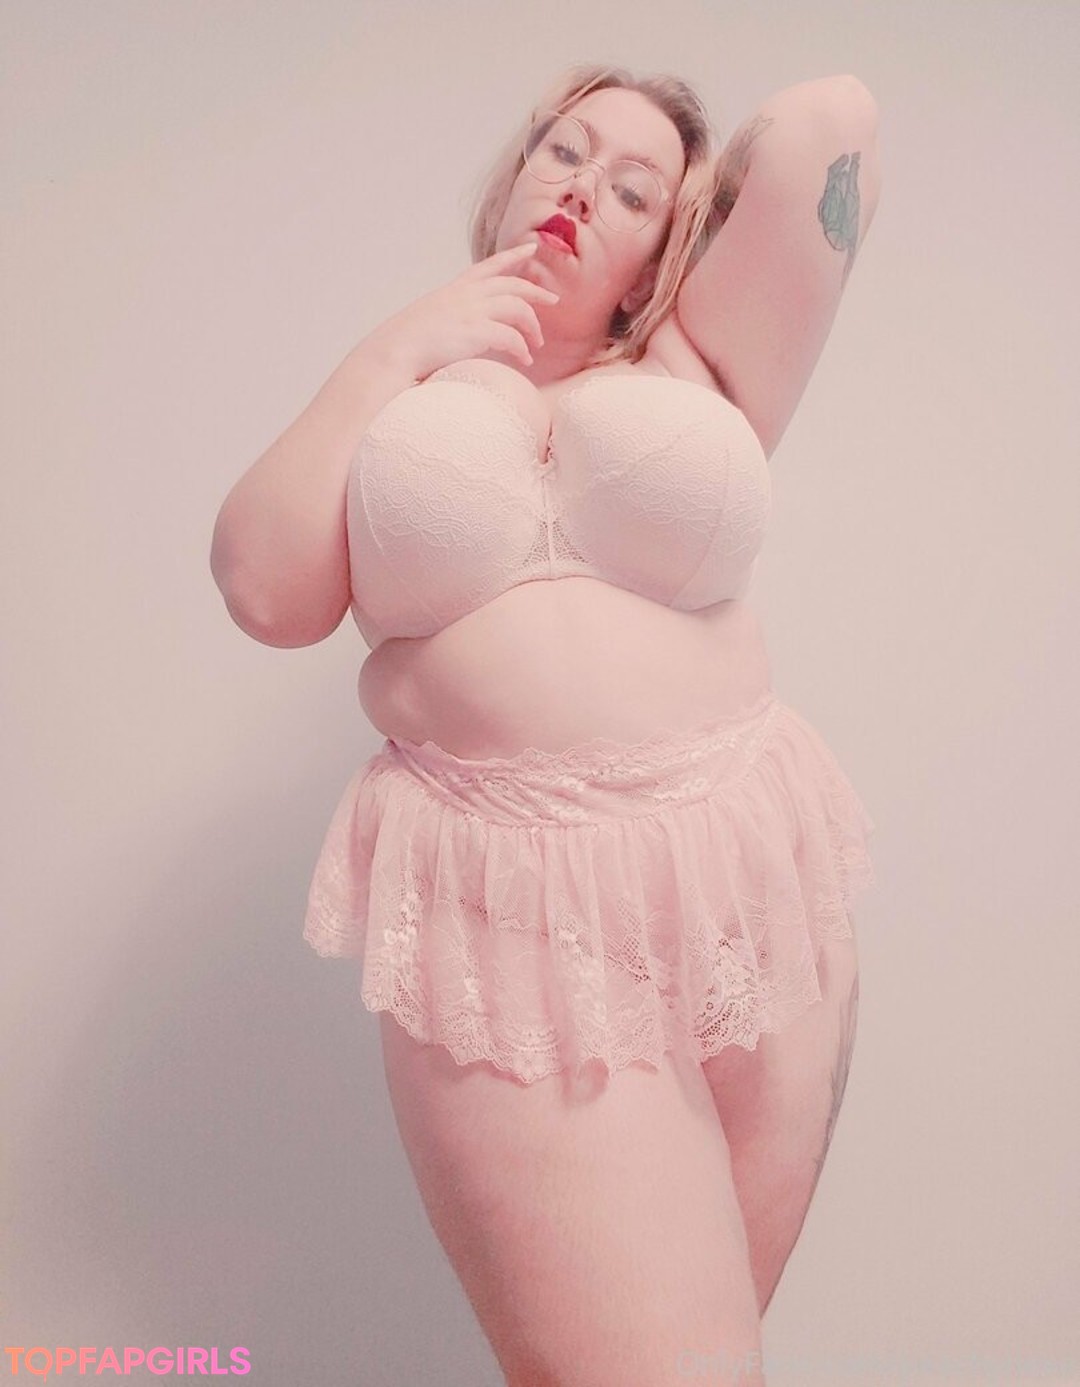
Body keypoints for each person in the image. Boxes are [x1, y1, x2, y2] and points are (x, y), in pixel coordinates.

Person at [211, 61, 880, 1387]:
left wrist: (681, 239)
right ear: (512, 177)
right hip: (512, 916)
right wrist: (400, 345)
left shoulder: (702, 360)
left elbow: (833, 122)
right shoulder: (404, 401)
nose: (582, 188)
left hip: (746, 882)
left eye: (633, 189)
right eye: (562, 152)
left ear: (664, 248)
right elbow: (262, 588)